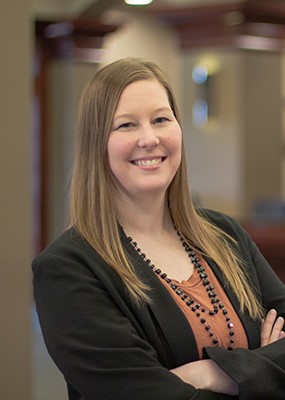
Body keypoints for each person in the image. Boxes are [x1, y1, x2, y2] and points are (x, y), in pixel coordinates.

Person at [32, 57, 285, 400]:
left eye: (161, 119)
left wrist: (212, 372)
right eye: (126, 125)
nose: (149, 138)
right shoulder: (67, 270)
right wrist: (264, 370)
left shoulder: (225, 234)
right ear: (97, 144)